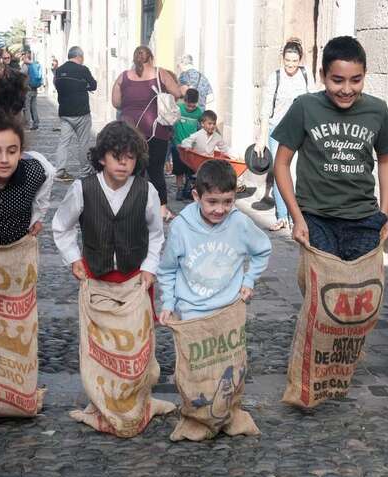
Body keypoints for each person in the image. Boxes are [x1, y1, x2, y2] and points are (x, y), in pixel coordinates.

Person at [272, 35, 388, 259]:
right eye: (337, 80)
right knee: (323, 290)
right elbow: (281, 163)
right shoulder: (305, 107)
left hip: (363, 219)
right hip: (315, 218)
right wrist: (297, 217)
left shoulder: (377, 110)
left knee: (361, 290)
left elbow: (386, 159)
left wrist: (384, 214)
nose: (346, 89)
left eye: (356, 80)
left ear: (364, 75)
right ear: (323, 75)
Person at [52, 120, 163, 291]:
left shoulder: (146, 191)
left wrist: (149, 266)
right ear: (102, 157)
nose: (123, 162)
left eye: (130, 157)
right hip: (95, 278)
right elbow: (62, 225)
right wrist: (73, 258)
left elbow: (155, 232)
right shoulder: (82, 189)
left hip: (135, 278)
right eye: (116, 156)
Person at [157, 159, 271, 322]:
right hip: (191, 313)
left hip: (230, 309)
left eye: (227, 202)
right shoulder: (180, 227)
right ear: (196, 196)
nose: (220, 209)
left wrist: (249, 280)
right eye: (212, 202)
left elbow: (262, 249)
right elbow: (167, 269)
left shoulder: (240, 223)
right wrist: (168, 303)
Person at [112, 46, 182, 221]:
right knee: (156, 170)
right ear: (151, 58)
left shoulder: (123, 76)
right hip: (155, 130)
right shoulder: (161, 73)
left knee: (131, 170)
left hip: (128, 132)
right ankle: (162, 209)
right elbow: (177, 93)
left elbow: (116, 102)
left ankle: (129, 207)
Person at [255, 38, 312, 231]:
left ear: (300, 60)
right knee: (281, 172)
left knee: (296, 174)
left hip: (300, 130)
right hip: (277, 130)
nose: (290, 65)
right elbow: (265, 109)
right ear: (283, 59)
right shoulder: (275, 77)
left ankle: (296, 215)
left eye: (294, 61)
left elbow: (312, 102)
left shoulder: (305, 75)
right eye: (288, 60)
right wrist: (261, 138)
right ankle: (282, 215)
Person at [54, 46, 97, 181]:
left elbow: (57, 85)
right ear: (79, 56)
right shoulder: (83, 70)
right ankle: (85, 171)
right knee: (83, 143)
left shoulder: (59, 70)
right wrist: (84, 87)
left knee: (63, 142)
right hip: (81, 112)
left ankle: (60, 171)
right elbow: (93, 85)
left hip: (65, 113)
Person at [171, 87, 203, 200]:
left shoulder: (199, 112)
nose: (190, 108)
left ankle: (188, 188)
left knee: (190, 169)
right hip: (178, 145)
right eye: (188, 105)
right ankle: (179, 190)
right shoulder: (178, 108)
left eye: (193, 106)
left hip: (191, 147)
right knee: (178, 170)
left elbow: (204, 123)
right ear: (184, 101)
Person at [21, 50, 41, 131]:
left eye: (23, 55)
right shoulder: (35, 64)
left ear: (25, 56)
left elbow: (21, 74)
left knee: (27, 108)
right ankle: (36, 123)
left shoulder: (26, 65)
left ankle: (27, 125)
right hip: (34, 88)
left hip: (27, 89)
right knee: (34, 107)